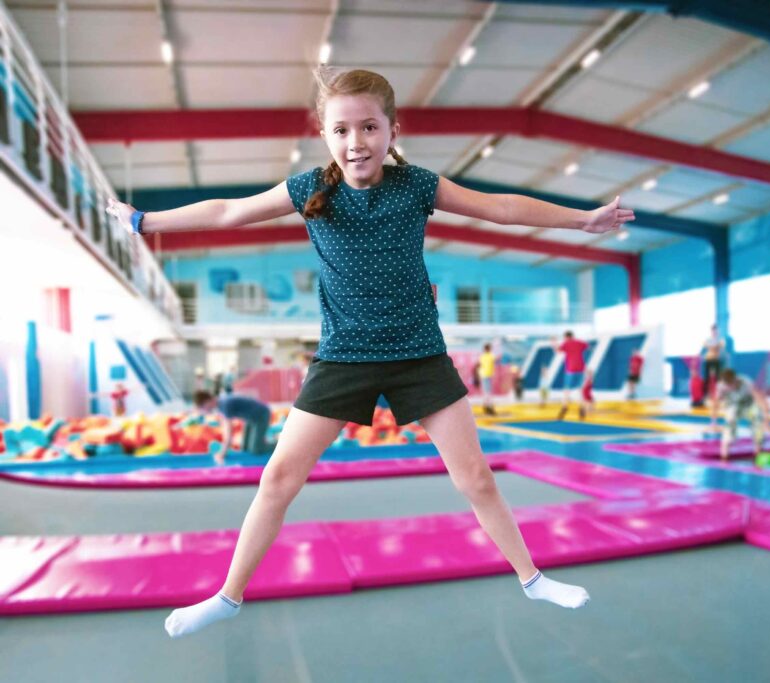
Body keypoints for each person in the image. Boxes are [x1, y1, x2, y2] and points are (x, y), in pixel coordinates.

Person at [107, 67, 632, 638]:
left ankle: (532, 578)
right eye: (341, 129)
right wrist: (145, 220)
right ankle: (228, 596)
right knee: (278, 478)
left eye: (369, 127)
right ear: (325, 136)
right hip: (343, 355)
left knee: (476, 479)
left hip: (418, 354)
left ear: (391, 130)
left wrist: (583, 219)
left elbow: (499, 208)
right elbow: (229, 212)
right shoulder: (308, 189)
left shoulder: (417, 187)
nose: (356, 141)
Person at [194, 391, 275, 464]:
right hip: (250, 418)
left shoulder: (225, 404)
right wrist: (222, 452)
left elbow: (229, 434)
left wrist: (221, 454)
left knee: (256, 449)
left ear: (208, 401)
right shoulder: (221, 405)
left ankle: (281, 445)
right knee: (245, 448)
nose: (205, 410)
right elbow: (225, 430)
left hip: (261, 414)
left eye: (203, 407)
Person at [710, 368, 770, 462]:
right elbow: (716, 402)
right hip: (732, 405)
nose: (730, 386)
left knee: (757, 418)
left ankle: (758, 452)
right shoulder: (721, 386)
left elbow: (760, 398)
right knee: (730, 419)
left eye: (732, 383)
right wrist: (713, 421)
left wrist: (767, 420)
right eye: (728, 385)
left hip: (748, 404)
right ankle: (725, 454)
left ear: (736, 379)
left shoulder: (746, 382)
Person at [557, 331, 589, 420]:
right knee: (579, 390)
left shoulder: (566, 343)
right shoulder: (580, 343)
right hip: (581, 368)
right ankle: (582, 408)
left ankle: (565, 407)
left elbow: (558, 351)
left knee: (567, 389)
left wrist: (553, 343)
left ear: (566, 337)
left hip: (571, 369)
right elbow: (587, 346)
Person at [701, 324, 724, 397]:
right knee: (706, 377)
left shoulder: (721, 339)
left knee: (718, 378)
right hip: (708, 359)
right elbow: (706, 345)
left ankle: (719, 395)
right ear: (711, 331)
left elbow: (720, 346)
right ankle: (705, 395)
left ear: (718, 331)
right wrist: (714, 347)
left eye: (716, 330)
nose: (714, 332)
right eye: (713, 330)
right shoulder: (707, 339)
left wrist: (713, 347)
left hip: (716, 360)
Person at [479, 343, 496, 416]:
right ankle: (488, 406)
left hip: (484, 375)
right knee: (488, 392)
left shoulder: (482, 356)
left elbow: (481, 364)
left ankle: (486, 406)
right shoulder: (490, 356)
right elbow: (494, 360)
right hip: (487, 375)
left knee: (486, 391)